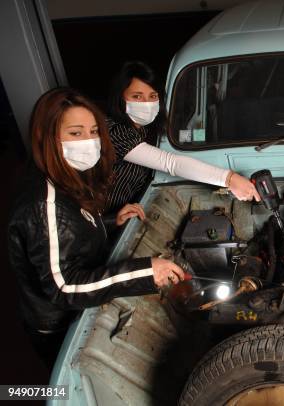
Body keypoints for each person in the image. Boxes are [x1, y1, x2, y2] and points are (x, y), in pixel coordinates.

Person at [7, 88, 187, 369]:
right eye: (75, 133)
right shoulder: (44, 205)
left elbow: (69, 229)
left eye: (93, 131)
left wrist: (109, 221)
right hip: (58, 325)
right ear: (46, 137)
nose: (89, 141)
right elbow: (64, 288)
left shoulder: (65, 176)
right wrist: (145, 271)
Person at [105, 61, 259, 213]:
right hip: (104, 219)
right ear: (120, 97)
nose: (147, 103)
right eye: (137, 96)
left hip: (128, 211)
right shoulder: (115, 132)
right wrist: (229, 179)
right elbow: (170, 162)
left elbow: (183, 141)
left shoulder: (146, 129)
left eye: (153, 96)